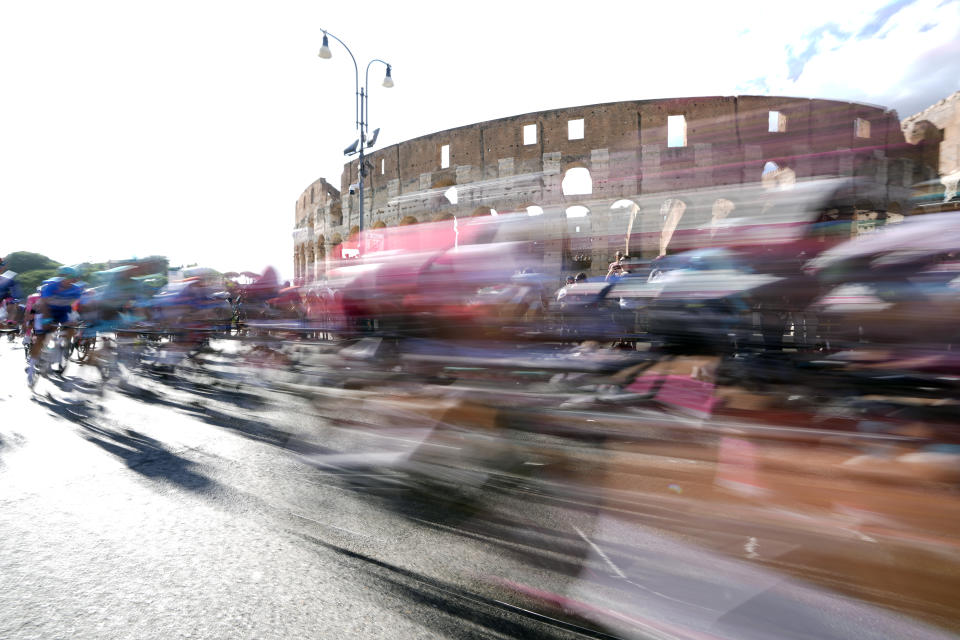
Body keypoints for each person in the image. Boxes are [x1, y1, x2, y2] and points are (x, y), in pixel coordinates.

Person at [27, 265, 85, 385]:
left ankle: (63, 346)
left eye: (72, 278)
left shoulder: (76, 290)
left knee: (71, 328)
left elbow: (74, 306)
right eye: (64, 277)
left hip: (63, 312)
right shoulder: (50, 287)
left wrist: (75, 318)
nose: (69, 280)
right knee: (41, 338)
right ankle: (32, 367)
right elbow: (43, 304)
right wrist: (47, 320)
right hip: (46, 311)